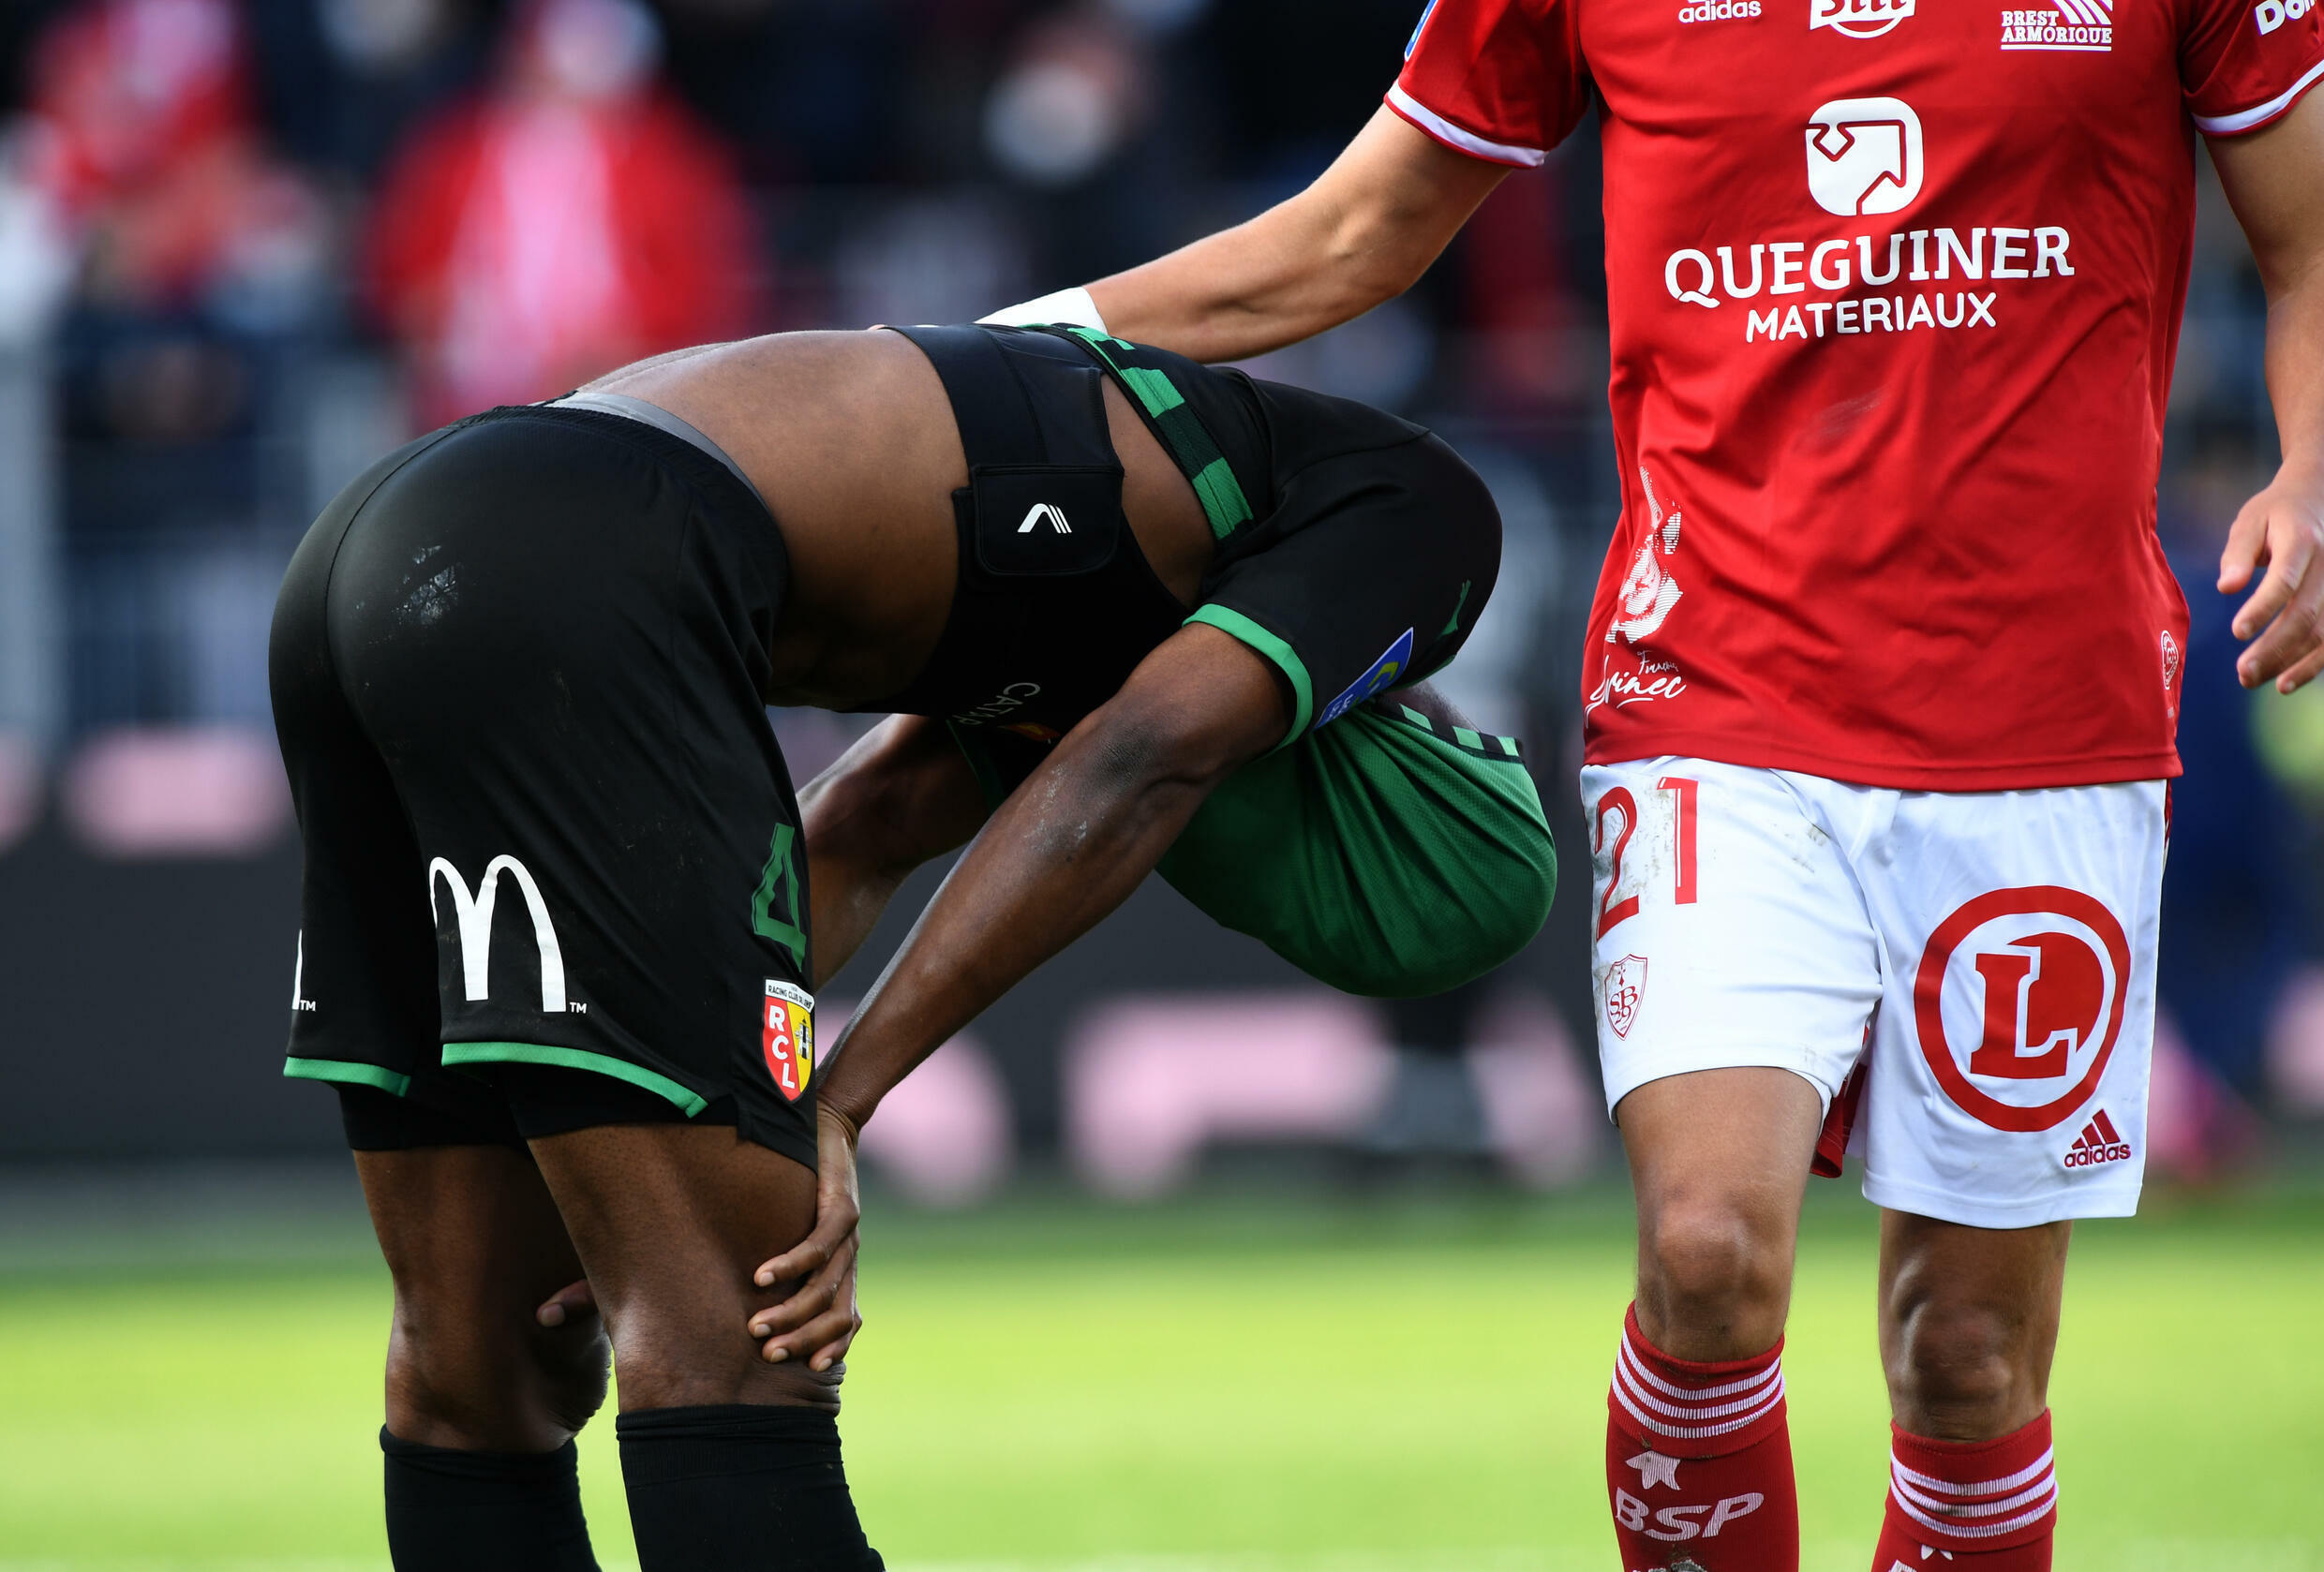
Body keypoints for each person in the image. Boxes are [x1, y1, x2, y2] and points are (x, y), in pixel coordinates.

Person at [964, 4, 2324, 1567]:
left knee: (1969, 1361)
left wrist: (2310, 467)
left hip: (2043, 724)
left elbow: (2303, 232)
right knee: (1704, 1249)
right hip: (1718, 696)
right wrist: (998, 350)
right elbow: (1350, 234)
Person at [269, 320, 1556, 1570]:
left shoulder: (1127, 579)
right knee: (741, 1345)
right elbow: (1135, 765)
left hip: (374, 548)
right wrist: (837, 1101)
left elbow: (867, 827)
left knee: (481, 1357)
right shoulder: (1415, 508)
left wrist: (677, 1095)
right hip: (571, 561)